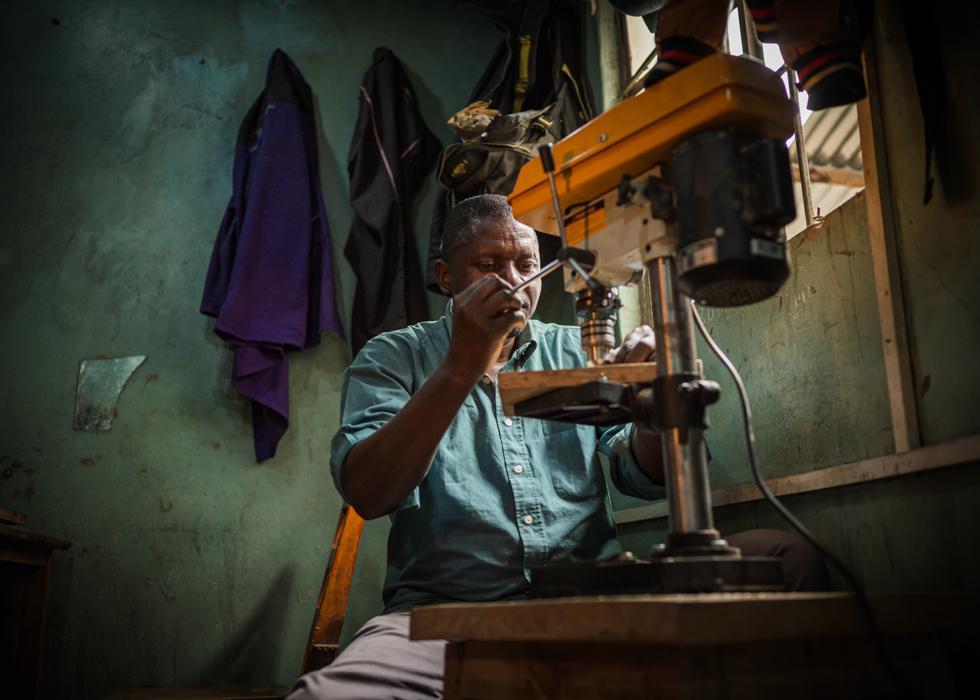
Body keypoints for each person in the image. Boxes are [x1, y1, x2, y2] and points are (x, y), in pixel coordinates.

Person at [289, 194, 827, 699]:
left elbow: (639, 474)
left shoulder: (575, 348)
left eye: (527, 264)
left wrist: (651, 406)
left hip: (596, 598)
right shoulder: (393, 358)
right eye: (489, 263)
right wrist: (462, 365)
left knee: (788, 559)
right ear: (446, 277)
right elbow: (369, 491)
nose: (513, 281)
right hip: (447, 618)